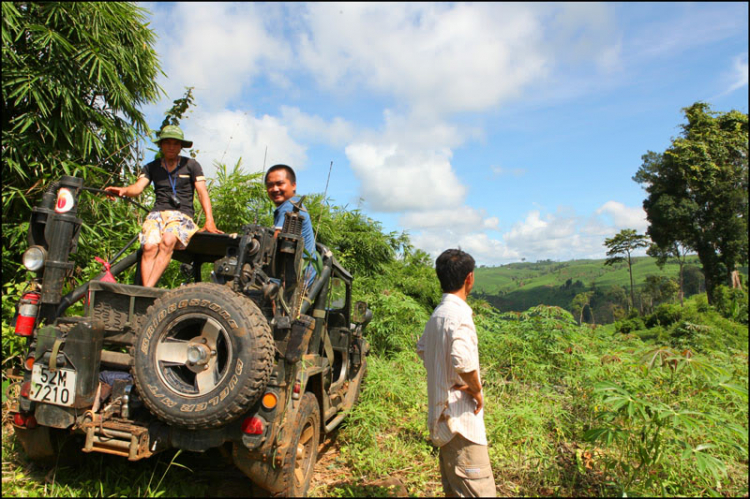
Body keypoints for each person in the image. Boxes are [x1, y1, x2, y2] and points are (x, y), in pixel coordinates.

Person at [417, 249, 496, 497]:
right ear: (469, 278)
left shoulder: (437, 315)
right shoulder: (460, 315)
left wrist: (443, 376)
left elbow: (422, 349)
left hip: (442, 419)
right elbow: (462, 360)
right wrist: (475, 389)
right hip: (461, 423)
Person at [105, 125, 222, 287]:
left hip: (182, 215)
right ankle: (147, 290)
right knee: (149, 246)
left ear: (181, 146)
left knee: (168, 240)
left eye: (175, 143)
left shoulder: (191, 165)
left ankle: (147, 289)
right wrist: (122, 191)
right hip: (157, 214)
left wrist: (210, 220)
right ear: (161, 145)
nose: (171, 147)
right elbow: (138, 188)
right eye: (167, 143)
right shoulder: (152, 167)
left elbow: (202, 192)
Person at [264, 164, 317, 284]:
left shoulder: (291, 207)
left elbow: (274, 244)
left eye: (280, 183)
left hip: (292, 280)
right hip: (293, 276)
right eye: (270, 185)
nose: (275, 189)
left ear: (293, 185)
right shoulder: (289, 206)